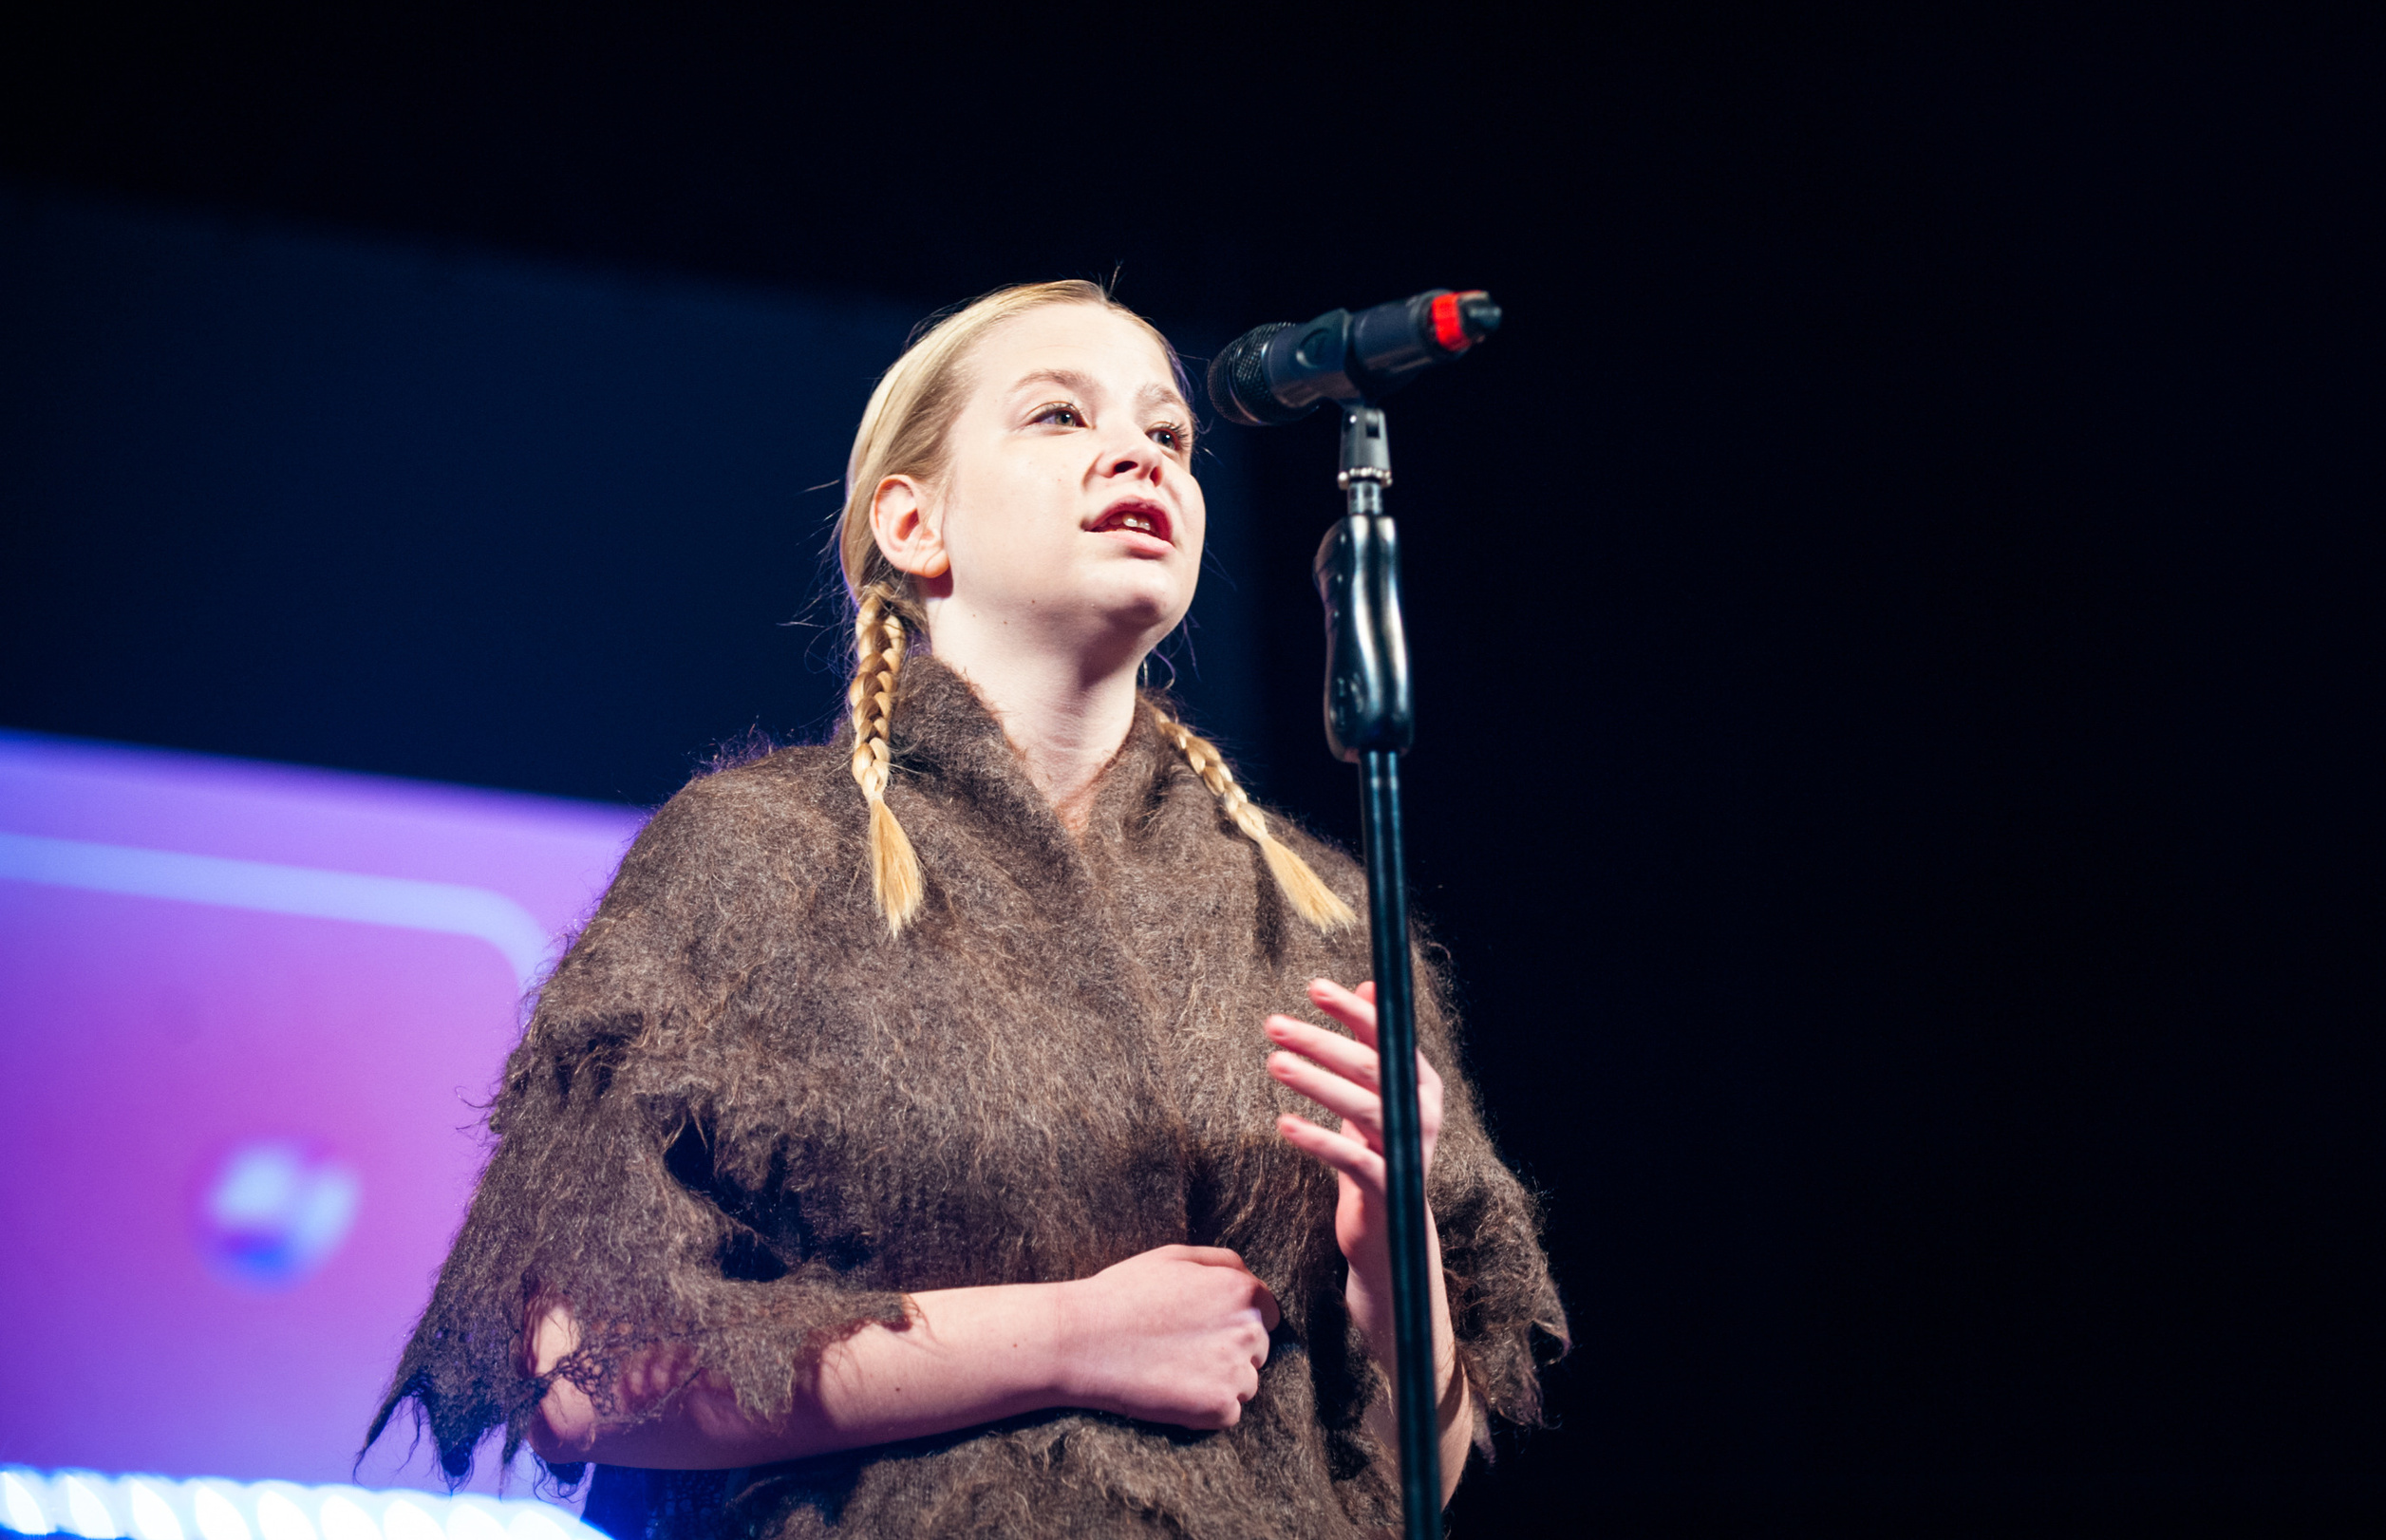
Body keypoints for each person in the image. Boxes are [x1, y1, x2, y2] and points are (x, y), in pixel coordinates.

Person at [368, 281, 1566, 1539]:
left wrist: (1392, 1252)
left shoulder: (1311, 911)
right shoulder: (762, 858)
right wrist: (1065, 1340)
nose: (1135, 455)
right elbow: (578, 1370)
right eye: (1060, 416)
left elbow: (1413, 1464)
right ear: (912, 519)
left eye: (1167, 435)